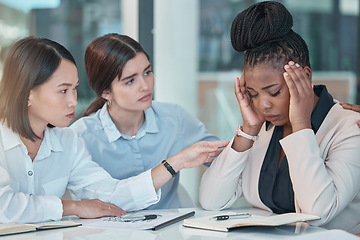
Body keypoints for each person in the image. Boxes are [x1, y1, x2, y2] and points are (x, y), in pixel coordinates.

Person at [0, 36, 228, 223]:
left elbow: (111, 196)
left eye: (75, 89)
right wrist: (73, 207)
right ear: (28, 93)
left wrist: (175, 162)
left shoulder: (68, 141)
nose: (73, 101)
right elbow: (4, 206)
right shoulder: (79, 134)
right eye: (63, 91)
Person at [199, 1, 360, 233]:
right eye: (252, 94)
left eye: (274, 92)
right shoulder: (263, 130)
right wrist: (248, 130)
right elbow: (211, 200)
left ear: (304, 76)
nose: (263, 105)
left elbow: (319, 212)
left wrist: (301, 125)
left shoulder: (348, 128)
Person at [70, 33, 221, 209]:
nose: (145, 86)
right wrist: (175, 162)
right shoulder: (81, 136)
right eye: (130, 81)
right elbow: (106, 201)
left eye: (147, 72)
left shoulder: (174, 117)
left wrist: (247, 133)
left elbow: (224, 160)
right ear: (106, 92)